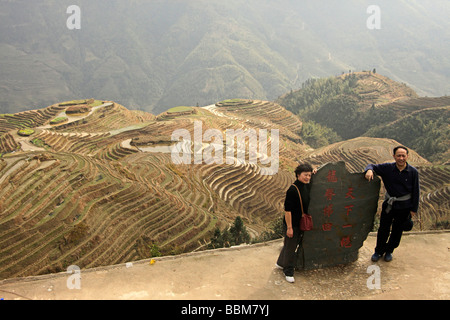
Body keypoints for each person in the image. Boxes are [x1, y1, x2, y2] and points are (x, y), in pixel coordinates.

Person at [364, 145, 420, 262]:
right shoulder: (388, 168)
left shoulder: (413, 172)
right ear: (394, 156)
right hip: (389, 205)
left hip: (404, 206)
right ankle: (378, 251)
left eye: (403, 156)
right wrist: (369, 170)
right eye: (398, 156)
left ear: (407, 157)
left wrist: (413, 209)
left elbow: (416, 191)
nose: (401, 158)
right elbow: (371, 166)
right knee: (383, 228)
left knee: (397, 230)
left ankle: (389, 251)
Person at [276, 163, 315, 283]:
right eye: (305, 175)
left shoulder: (307, 185)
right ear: (298, 175)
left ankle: (280, 263)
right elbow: (287, 211)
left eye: (309, 175)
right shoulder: (293, 190)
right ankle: (288, 271)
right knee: (291, 247)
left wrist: (314, 171)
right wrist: (289, 228)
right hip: (292, 223)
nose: (308, 177)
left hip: (301, 222)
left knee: (289, 245)